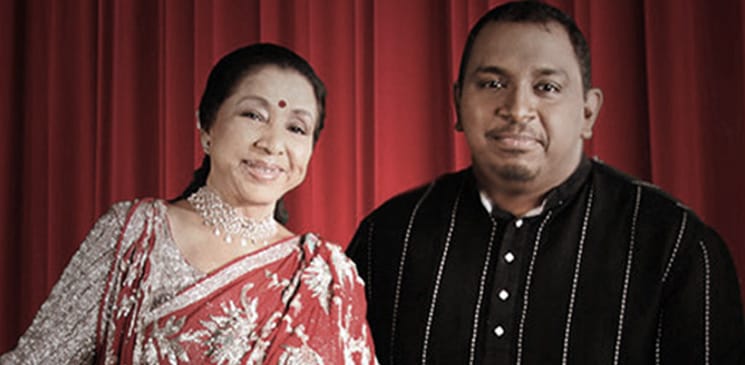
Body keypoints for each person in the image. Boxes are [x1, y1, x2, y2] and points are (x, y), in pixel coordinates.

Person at [346, 2, 745, 364]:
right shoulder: (389, 237)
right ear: (457, 105)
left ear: (588, 112)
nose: (518, 109)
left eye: (547, 88)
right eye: (492, 83)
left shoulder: (676, 246)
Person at [1, 43, 375, 364]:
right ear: (206, 127)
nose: (273, 144)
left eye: (296, 127)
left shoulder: (327, 277)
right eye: (253, 116)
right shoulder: (137, 236)